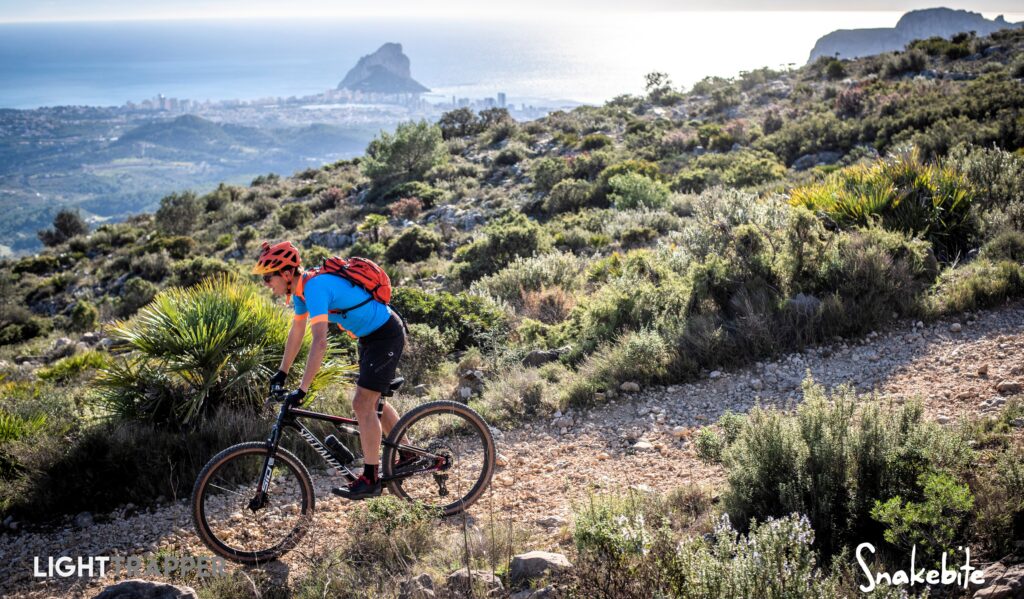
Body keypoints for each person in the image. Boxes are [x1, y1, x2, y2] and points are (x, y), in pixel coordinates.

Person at [252, 240, 408, 500]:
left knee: (362, 404)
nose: (267, 284)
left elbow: (320, 342)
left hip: (385, 334)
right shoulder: (302, 292)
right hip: (370, 337)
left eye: (269, 278)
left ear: (287, 274)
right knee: (373, 400)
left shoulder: (314, 288)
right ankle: (408, 453)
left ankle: (370, 478)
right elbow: (297, 333)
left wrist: (302, 390)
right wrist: (281, 372)